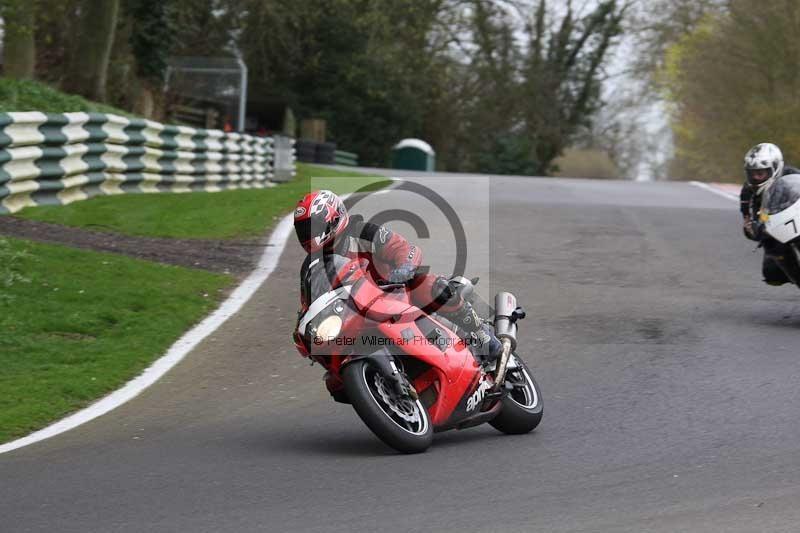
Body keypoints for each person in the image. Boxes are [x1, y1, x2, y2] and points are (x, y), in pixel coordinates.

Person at [292, 189, 502, 362]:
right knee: (334, 378)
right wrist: (303, 329)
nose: (308, 235)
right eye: (303, 230)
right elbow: (310, 303)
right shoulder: (311, 266)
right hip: (358, 316)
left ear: (333, 218)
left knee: (426, 284)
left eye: (313, 227)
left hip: (396, 293)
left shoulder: (362, 233)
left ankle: (482, 333)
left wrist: (402, 270)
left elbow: (404, 249)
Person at [740, 143, 800, 285]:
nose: (756, 177)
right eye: (752, 173)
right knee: (772, 272)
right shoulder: (748, 191)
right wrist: (753, 228)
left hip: (797, 219)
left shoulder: (792, 174)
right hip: (774, 226)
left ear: (775, 167)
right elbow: (748, 220)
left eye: (760, 173)